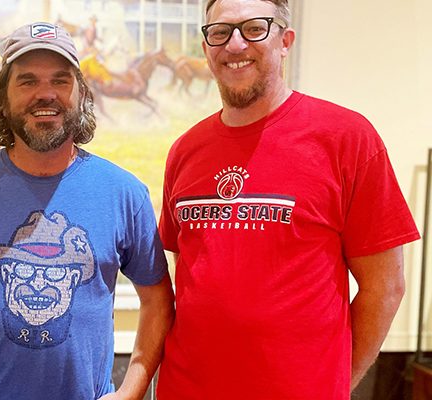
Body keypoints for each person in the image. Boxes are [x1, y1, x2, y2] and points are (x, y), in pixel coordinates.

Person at [156, 0, 421, 398]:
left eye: (254, 28)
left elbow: (385, 288)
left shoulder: (346, 138)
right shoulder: (185, 151)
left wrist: (333, 384)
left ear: (285, 41)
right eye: (220, 32)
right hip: (186, 389)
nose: (235, 44)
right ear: (207, 47)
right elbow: (190, 271)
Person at [0, 22, 175, 399]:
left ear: (81, 94)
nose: (46, 94)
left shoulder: (124, 192)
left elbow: (157, 299)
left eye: (60, 81)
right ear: (3, 98)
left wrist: (131, 391)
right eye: (27, 82)